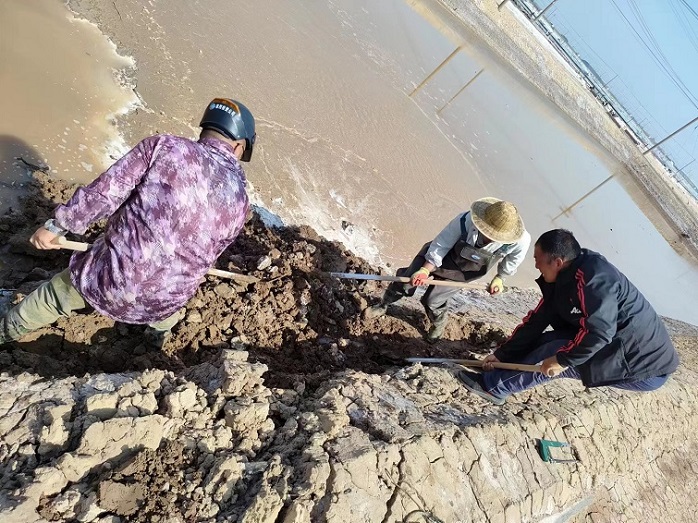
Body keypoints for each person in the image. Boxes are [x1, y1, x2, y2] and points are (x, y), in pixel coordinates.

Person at [0, 97, 256, 349]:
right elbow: (207, 256)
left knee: (54, 297)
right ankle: (157, 341)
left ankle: (5, 332)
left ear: (205, 128)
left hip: (111, 280)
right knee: (169, 302)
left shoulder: (165, 147)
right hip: (165, 301)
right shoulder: (241, 200)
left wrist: (56, 227)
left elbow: (105, 194)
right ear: (238, 147)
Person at [456, 229, 680, 405]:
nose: (535, 265)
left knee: (555, 354)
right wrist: (502, 355)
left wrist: (561, 361)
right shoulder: (565, 274)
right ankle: (502, 370)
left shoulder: (594, 281)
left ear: (557, 262)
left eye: (538, 259)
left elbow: (600, 333)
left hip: (641, 364)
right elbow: (537, 320)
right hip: (614, 340)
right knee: (548, 340)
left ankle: (493, 388)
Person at [364, 197, 531, 341]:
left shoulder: (519, 241)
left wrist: (500, 278)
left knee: (433, 301)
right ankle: (383, 304)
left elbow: (513, 260)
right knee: (407, 281)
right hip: (441, 255)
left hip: (463, 272)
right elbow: (442, 244)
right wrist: (425, 270)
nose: (489, 237)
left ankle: (439, 323)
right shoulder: (465, 220)